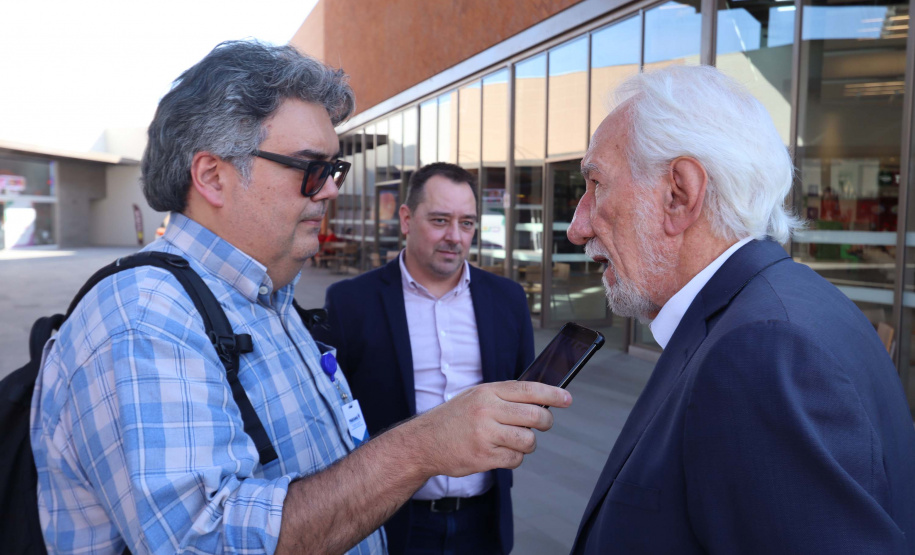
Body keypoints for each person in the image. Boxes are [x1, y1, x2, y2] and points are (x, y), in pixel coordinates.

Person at [30, 40, 571, 555]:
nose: (331, 189)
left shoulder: (269, 299)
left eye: (334, 169)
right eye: (312, 169)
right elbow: (207, 541)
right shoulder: (145, 320)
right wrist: (421, 447)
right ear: (213, 176)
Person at [567, 65, 915, 554]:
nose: (577, 226)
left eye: (596, 184)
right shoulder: (785, 306)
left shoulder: (763, 352)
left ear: (679, 194)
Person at [314, 163, 534, 554]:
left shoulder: (508, 300)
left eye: (467, 223)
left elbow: (521, 390)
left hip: (483, 520)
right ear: (406, 219)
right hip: (392, 520)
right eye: (439, 220)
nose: (454, 236)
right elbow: (334, 411)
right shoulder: (351, 302)